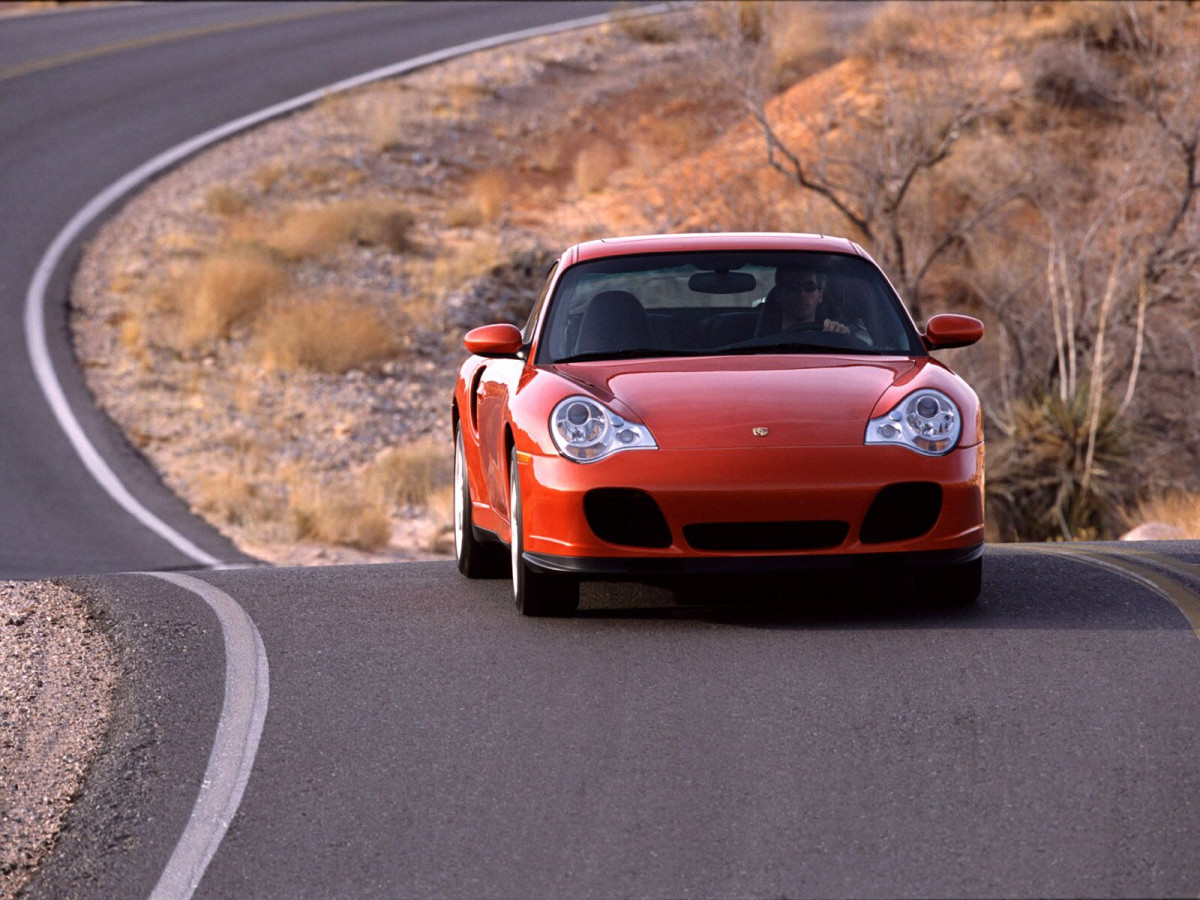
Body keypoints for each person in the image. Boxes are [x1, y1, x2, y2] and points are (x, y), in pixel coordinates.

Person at [768, 265, 850, 334]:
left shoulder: (832, 336)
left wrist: (842, 338)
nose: (802, 294)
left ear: (820, 295)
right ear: (778, 294)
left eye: (810, 287)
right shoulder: (761, 343)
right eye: (792, 287)